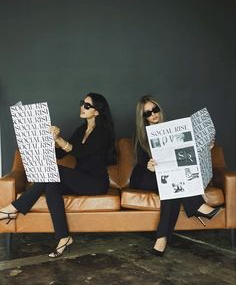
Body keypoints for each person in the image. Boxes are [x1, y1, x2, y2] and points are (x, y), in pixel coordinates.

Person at [0, 93, 116, 258]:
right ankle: (64, 237)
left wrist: (59, 138)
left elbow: (79, 151)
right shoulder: (81, 129)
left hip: (95, 183)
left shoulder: (103, 132)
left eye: (88, 106)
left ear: (97, 111)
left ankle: (13, 208)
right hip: (79, 178)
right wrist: (41, 143)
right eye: (83, 103)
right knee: (51, 184)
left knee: (55, 172)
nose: (83, 107)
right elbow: (62, 153)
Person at [130, 95, 222, 256]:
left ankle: (162, 238)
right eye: (148, 113)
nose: (153, 114)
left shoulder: (172, 129)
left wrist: (205, 146)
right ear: (142, 117)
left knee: (170, 189)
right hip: (145, 176)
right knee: (171, 183)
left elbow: (186, 157)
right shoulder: (141, 135)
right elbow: (141, 163)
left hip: (166, 178)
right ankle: (197, 206)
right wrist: (149, 165)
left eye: (155, 109)